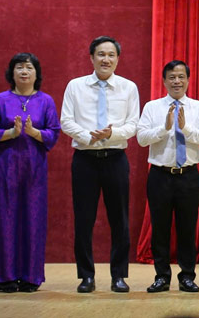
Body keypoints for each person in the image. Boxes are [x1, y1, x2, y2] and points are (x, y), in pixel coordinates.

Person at [60, 36, 140, 293]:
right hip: (84, 159)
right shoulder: (75, 86)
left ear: (117, 59)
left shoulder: (128, 88)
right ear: (91, 58)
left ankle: (119, 276)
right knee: (83, 220)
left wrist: (110, 134)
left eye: (111, 55)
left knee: (120, 220)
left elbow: (133, 125)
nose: (106, 59)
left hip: (115, 159)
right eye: (100, 54)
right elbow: (66, 121)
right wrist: (87, 136)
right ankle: (86, 276)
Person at [137, 60, 199, 293]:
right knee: (159, 228)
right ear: (164, 81)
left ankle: (187, 277)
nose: (177, 81)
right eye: (172, 77)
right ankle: (161, 276)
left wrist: (186, 129)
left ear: (188, 80)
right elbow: (142, 138)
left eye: (181, 77)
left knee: (187, 228)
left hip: (188, 175)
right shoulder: (152, 107)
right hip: (160, 175)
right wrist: (164, 127)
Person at [0, 52, 61, 292]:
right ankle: (4, 276)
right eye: (19, 68)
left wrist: (33, 132)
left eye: (29, 67)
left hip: (34, 170)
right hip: (6, 169)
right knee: (4, 219)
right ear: (12, 73)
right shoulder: (0, 100)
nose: (24, 72)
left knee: (33, 220)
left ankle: (30, 276)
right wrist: (11, 133)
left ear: (36, 74)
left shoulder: (46, 100)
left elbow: (54, 133)